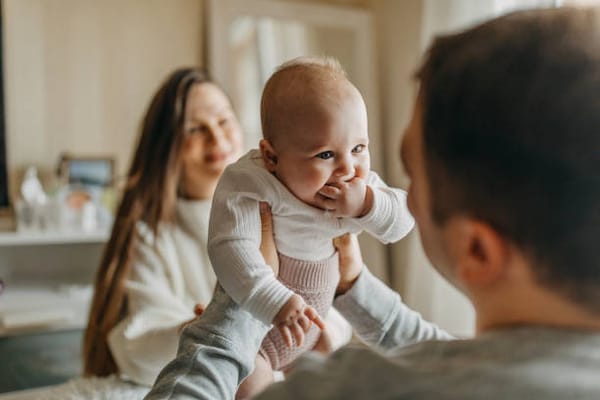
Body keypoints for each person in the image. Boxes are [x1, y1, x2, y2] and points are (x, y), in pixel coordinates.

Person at [145, 7, 600, 399]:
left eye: (413, 177)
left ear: (477, 249)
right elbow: (444, 353)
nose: (358, 180)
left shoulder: (349, 388)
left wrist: (236, 309)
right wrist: (354, 286)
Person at [82, 67, 352, 387]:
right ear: (167, 147)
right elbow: (136, 352)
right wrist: (206, 326)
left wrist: (319, 330)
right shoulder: (151, 236)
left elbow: (338, 308)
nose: (217, 138)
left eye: (224, 121)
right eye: (196, 129)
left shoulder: (286, 209)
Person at [207, 57, 414, 397]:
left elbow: (402, 222)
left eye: (359, 148)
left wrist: (367, 205)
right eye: (325, 155)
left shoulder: (359, 189)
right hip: (258, 334)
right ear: (272, 158)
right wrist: (275, 302)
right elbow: (230, 248)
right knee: (252, 387)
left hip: (313, 333)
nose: (348, 168)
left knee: (334, 385)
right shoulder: (252, 182)